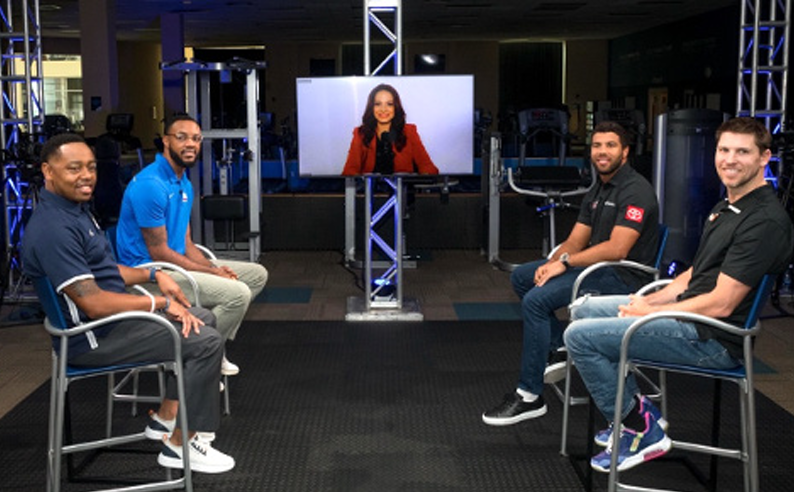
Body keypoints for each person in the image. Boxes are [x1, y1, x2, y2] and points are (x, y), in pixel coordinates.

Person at [564, 117, 794, 473]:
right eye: (724, 150)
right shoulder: (726, 207)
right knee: (584, 309)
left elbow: (722, 303)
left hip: (713, 339)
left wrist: (647, 316)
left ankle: (641, 428)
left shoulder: (764, 221)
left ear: (764, 158)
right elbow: (692, 275)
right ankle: (630, 412)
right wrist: (650, 301)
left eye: (742, 152)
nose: (729, 160)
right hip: (692, 319)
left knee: (579, 337)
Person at [22, 133, 235, 474]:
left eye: (91, 167)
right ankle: (182, 444)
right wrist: (160, 303)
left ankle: (167, 418)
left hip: (108, 325)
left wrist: (152, 276)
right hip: (91, 338)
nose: (86, 176)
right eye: (74, 168)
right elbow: (93, 303)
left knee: (203, 317)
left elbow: (107, 272)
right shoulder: (53, 228)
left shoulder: (75, 212)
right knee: (205, 341)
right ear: (48, 171)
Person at [482, 121, 660, 426]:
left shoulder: (636, 191)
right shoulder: (599, 187)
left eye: (611, 145)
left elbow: (617, 249)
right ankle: (560, 345)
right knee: (524, 277)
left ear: (625, 152)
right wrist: (553, 261)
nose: (602, 152)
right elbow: (577, 239)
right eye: (597, 146)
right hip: (598, 268)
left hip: (624, 277)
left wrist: (565, 264)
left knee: (536, 302)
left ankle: (529, 396)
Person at [115, 114, 268, 377]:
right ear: (166, 141)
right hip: (151, 275)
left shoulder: (183, 182)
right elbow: (159, 252)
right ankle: (200, 357)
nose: (190, 144)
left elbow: (185, 243)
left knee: (256, 275)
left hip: (172, 264)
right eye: (182, 137)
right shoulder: (151, 185)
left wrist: (211, 268)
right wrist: (213, 273)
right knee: (237, 295)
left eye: (196, 139)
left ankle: (203, 346)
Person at [342, 83, 439, 175]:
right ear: (371, 108)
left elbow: (427, 166)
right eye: (378, 104)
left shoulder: (409, 132)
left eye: (389, 104)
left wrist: (423, 177)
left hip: (401, 189)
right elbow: (349, 169)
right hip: (371, 190)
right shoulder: (361, 134)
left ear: (395, 107)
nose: (383, 109)